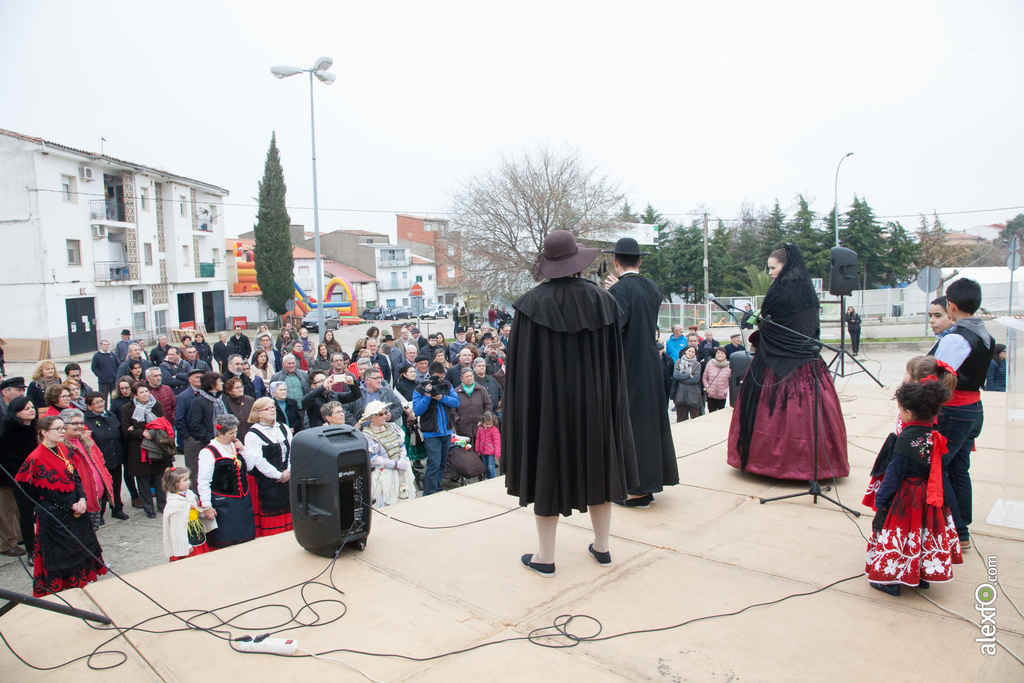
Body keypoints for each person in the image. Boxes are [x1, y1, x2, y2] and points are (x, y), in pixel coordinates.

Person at [507, 231, 638, 577]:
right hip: (595, 404)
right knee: (600, 467)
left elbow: (522, 372)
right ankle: (603, 548)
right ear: (578, 263)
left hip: (549, 408)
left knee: (546, 471)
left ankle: (545, 557)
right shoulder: (604, 301)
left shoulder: (529, 306)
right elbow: (615, 365)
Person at [727, 244, 849, 481]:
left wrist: (761, 327)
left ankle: (771, 463)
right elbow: (811, 328)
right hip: (808, 361)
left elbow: (770, 327)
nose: (770, 272)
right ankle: (816, 464)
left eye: (773, 267)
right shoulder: (808, 292)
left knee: (778, 416)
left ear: (785, 266)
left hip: (776, 364)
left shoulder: (779, 292)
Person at [865, 379, 963, 596]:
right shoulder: (934, 434)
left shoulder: (906, 438)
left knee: (901, 534)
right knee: (922, 533)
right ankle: (920, 575)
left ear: (908, 412)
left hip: (908, 497)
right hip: (930, 493)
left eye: (900, 410)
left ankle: (889, 580)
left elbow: (893, 474)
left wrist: (881, 502)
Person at [603, 237, 678, 507]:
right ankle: (650, 483)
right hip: (649, 362)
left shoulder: (619, 290)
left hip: (628, 365)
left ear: (615, 262)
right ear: (640, 261)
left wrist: (612, 294)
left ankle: (636, 490)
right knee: (651, 423)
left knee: (631, 425)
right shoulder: (653, 288)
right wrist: (618, 290)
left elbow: (615, 328)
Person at [927, 278, 994, 549]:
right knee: (958, 469)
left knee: (939, 468)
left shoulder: (956, 338)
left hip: (954, 411)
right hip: (972, 409)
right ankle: (962, 528)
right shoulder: (983, 333)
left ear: (951, 306)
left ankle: (956, 531)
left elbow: (938, 376)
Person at [15, 415, 107, 597]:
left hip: (75, 509)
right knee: (63, 558)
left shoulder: (63, 449)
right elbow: (47, 493)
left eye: (62, 428)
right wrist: (71, 506)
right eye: (58, 429)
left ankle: (82, 588)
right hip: (55, 515)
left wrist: (82, 498)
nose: (62, 432)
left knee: (82, 550)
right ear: (44, 432)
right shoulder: (36, 458)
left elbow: (75, 476)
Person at [862, 356, 958, 510]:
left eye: (907, 372)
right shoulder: (929, 423)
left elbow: (895, 472)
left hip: (907, 491)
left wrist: (880, 500)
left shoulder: (909, 433)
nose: (904, 376)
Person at [197, 414, 256, 549]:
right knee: (227, 539)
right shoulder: (208, 452)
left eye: (235, 431)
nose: (234, 435)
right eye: (231, 433)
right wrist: (207, 506)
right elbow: (203, 481)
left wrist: (244, 450)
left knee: (246, 537)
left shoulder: (235, 446)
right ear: (220, 433)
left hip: (243, 500)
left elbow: (250, 467)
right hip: (223, 502)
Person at [244, 398, 293, 538]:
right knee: (272, 508)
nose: (273, 410)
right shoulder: (252, 434)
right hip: (267, 480)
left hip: (287, 476)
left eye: (273, 407)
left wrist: (288, 471)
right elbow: (258, 461)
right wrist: (278, 475)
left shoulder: (283, 428)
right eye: (268, 408)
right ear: (258, 413)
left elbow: (292, 450)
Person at [121, 381, 171, 518]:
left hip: (156, 445)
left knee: (159, 476)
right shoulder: (127, 408)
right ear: (135, 395)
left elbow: (163, 423)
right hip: (138, 448)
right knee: (142, 479)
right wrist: (141, 433)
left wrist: (148, 431)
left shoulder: (156, 405)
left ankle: (162, 504)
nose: (145, 394)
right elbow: (125, 429)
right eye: (141, 392)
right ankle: (148, 507)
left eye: (146, 391)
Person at [59, 409, 114, 530]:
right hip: (80, 501)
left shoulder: (88, 441)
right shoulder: (61, 447)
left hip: (96, 497)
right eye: (74, 424)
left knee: (93, 531)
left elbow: (101, 462)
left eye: (81, 423)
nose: (79, 426)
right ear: (64, 425)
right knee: (81, 533)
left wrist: (107, 481)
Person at [413, 362, 460, 496]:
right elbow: (417, 410)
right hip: (431, 433)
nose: (439, 380)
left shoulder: (447, 385)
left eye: (441, 377)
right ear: (430, 374)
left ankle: (437, 489)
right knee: (433, 464)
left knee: (442, 463)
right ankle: (429, 493)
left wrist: (441, 397)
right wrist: (427, 396)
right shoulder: (420, 389)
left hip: (446, 431)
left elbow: (456, 402)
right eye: (436, 377)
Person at [82, 392, 129, 522]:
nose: (100, 404)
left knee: (116, 484)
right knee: (101, 487)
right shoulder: (87, 420)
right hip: (100, 458)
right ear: (89, 406)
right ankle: (100, 513)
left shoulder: (111, 415)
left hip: (116, 454)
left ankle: (117, 509)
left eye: (101, 401)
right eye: (96, 403)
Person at [359, 400, 414, 509]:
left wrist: (402, 459)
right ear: (371, 418)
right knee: (386, 502)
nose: (384, 416)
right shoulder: (367, 435)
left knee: (404, 497)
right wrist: (395, 464)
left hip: (400, 471)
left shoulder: (392, 427)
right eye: (380, 414)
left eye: (385, 413)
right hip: (384, 474)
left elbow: (401, 446)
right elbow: (373, 459)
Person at [0, 398, 37, 558]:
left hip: (31, 477)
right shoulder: (8, 432)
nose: (31, 410)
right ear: (16, 413)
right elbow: (7, 459)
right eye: (26, 408)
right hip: (14, 478)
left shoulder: (32, 428)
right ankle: (19, 546)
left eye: (32, 407)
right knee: (17, 512)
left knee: (29, 511)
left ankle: (29, 539)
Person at [161, 467, 212, 561]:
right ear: (175, 484)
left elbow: (195, 511)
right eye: (185, 480)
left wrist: (204, 514)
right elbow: (176, 529)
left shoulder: (190, 494)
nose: (189, 482)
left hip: (196, 530)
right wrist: (186, 545)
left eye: (188, 479)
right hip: (188, 536)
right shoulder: (174, 504)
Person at [672, 345, 702, 421]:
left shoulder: (697, 364)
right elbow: (676, 375)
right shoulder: (678, 362)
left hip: (693, 395)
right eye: (689, 351)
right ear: (685, 351)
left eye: (692, 352)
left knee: (695, 419)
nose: (690, 353)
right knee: (681, 419)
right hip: (680, 394)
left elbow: (695, 379)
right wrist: (689, 375)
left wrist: (681, 379)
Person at [223, 377, 256, 442]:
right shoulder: (226, 402)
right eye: (237, 388)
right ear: (229, 391)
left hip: (251, 436)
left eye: (241, 387)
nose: (240, 389)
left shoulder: (249, 400)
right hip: (236, 438)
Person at [702, 347, 731, 413]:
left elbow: (731, 381)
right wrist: (707, 388)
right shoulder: (710, 364)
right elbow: (705, 378)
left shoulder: (729, 366)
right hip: (711, 395)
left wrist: (726, 391)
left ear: (725, 355)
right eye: (718, 353)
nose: (720, 354)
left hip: (723, 396)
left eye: (722, 353)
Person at [475, 411, 501, 479]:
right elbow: (478, 439)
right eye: (487, 424)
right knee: (486, 467)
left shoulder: (494, 430)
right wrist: (478, 450)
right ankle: (489, 480)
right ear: (483, 422)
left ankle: (493, 480)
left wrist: (497, 455)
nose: (489, 425)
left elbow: (497, 442)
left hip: (491, 452)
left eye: (490, 424)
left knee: (491, 467)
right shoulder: (480, 428)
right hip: (483, 451)